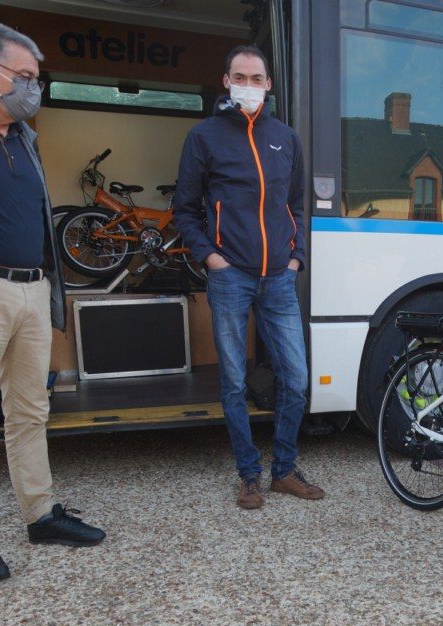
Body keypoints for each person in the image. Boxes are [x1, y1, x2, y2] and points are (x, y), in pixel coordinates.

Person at [0, 22, 105, 584]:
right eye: (25, 76)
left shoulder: (23, 137)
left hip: (33, 289)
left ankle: (40, 513)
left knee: (30, 412)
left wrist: (50, 287)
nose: (34, 88)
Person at [175, 45, 324, 509]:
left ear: (268, 85)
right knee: (235, 381)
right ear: (226, 82)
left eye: (256, 78)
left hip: (279, 276)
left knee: (296, 379)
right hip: (230, 276)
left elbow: (295, 208)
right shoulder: (204, 138)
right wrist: (211, 257)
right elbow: (185, 209)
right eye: (239, 76)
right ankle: (249, 475)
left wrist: (296, 257)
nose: (248, 84)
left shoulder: (286, 138)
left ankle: (283, 470)